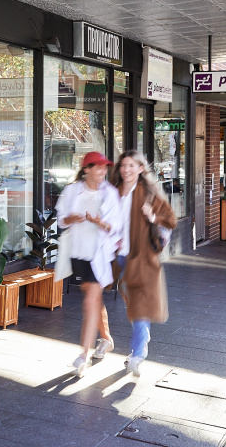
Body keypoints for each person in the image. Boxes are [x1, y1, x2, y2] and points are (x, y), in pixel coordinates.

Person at [54, 151, 122, 378]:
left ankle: (83, 356)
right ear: (86, 169)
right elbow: (61, 219)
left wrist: (98, 221)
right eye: (98, 167)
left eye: (105, 168)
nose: (103, 171)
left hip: (100, 255)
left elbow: (115, 227)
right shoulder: (72, 190)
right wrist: (73, 218)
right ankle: (107, 339)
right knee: (93, 300)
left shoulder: (110, 194)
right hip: (78, 252)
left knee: (89, 302)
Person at [111, 150, 176, 377]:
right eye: (123, 165)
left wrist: (152, 218)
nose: (126, 170)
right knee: (130, 301)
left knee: (138, 305)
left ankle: (137, 354)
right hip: (118, 256)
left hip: (141, 257)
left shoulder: (149, 193)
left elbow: (171, 219)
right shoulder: (114, 191)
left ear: (140, 169)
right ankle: (143, 335)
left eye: (131, 165)